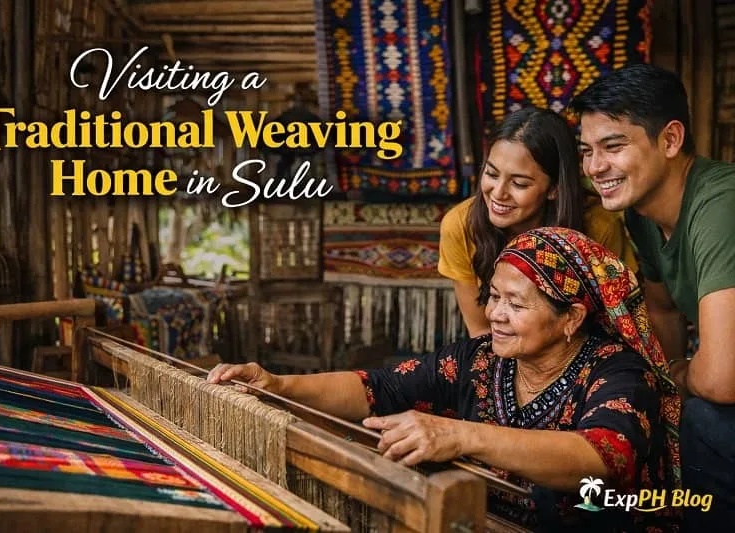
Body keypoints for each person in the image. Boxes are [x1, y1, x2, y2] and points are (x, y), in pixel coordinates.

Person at [209, 228, 681, 532]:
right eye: (494, 297)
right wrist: (277, 385)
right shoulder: (480, 361)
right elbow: (380, 388)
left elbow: (605, 455)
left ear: (571, 318)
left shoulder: (617, 370)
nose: (495, 314)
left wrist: (458, 436)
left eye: (516, 305)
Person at [572, 63, 735, 530]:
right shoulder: (641, 213)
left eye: (613, 146)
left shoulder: (720, 205)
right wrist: (664, 387)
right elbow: (662, 311)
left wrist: (680, 377)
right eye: (586, 151)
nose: (595, 167)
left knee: (705, 420)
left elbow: (723, 377)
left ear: (669, 140)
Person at [438, 107, 637, 336]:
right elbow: (482, 331)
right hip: (499, 355)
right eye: (492, 174)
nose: (498, 193)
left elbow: (621, 323)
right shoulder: (461, 226)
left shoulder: (598, 226)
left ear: (554, 189)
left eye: (519, 183)